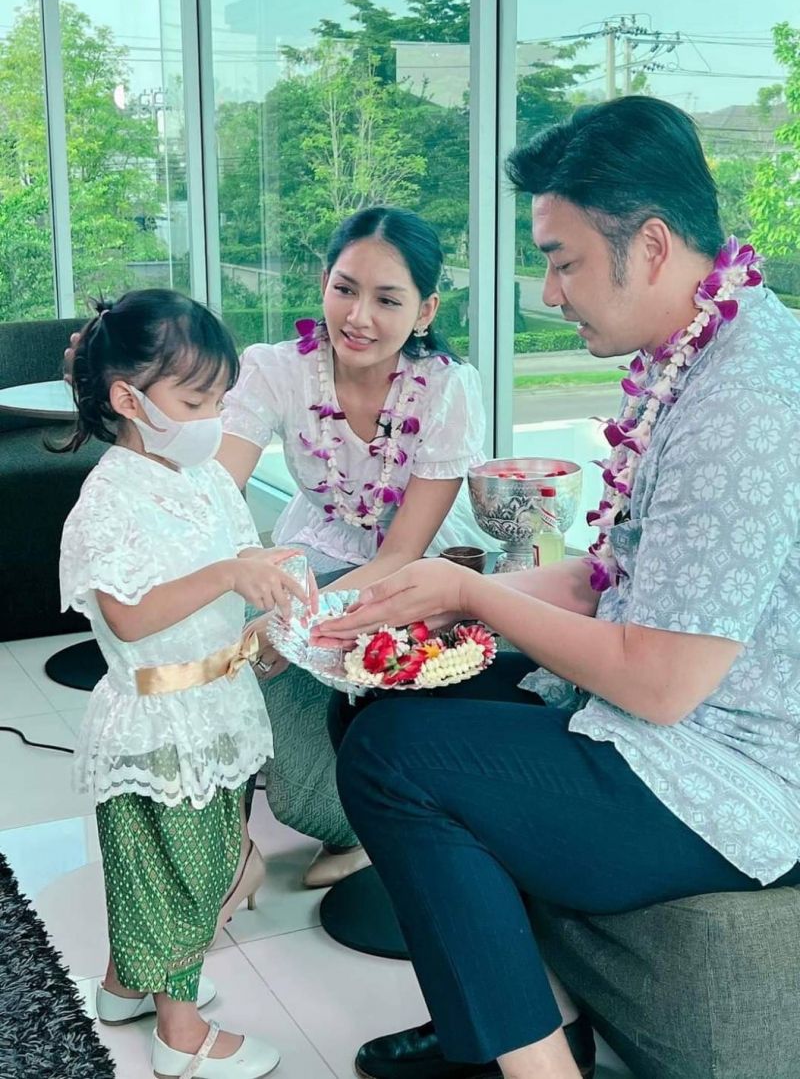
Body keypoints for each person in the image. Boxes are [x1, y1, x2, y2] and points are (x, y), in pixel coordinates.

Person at [314, 96, 800, 1079]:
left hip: (734, 773)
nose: (547, 291)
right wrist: (423, 601)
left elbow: (661, 681)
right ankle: (523, 1017)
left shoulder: (742, 406)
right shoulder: (702, 351)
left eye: (563, 261)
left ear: (650, 246)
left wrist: (474, 597)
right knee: (388, 686)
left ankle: (536, 1068)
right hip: (677, 720)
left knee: (395, 758)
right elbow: (613, 575)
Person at [59, 289, 314, 1079]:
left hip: (215, 704)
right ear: (128, 400)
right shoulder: (109, 500)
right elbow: (131, 617)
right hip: (158, 715)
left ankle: (123, 989)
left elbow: (236, 565)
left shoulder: (201, 476)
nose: (214, 418)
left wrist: (266, 601)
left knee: (188, 858)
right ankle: (180, 1034)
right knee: (183, 874)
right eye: (196, 401)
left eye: (220, 400)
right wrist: (228, 574)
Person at [218, 205, 488, 885]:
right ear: (323, 284)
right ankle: (285, 823)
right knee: (234, 626)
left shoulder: (448, 388)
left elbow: (400, 554)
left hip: (414, 561)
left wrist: (289, 619)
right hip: (317, 543)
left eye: (387, 299)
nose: (358, 316)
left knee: (293, 635)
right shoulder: (275, 369)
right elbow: (216, 494)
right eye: (345, 289)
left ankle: (369, 815)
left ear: (425, 311)